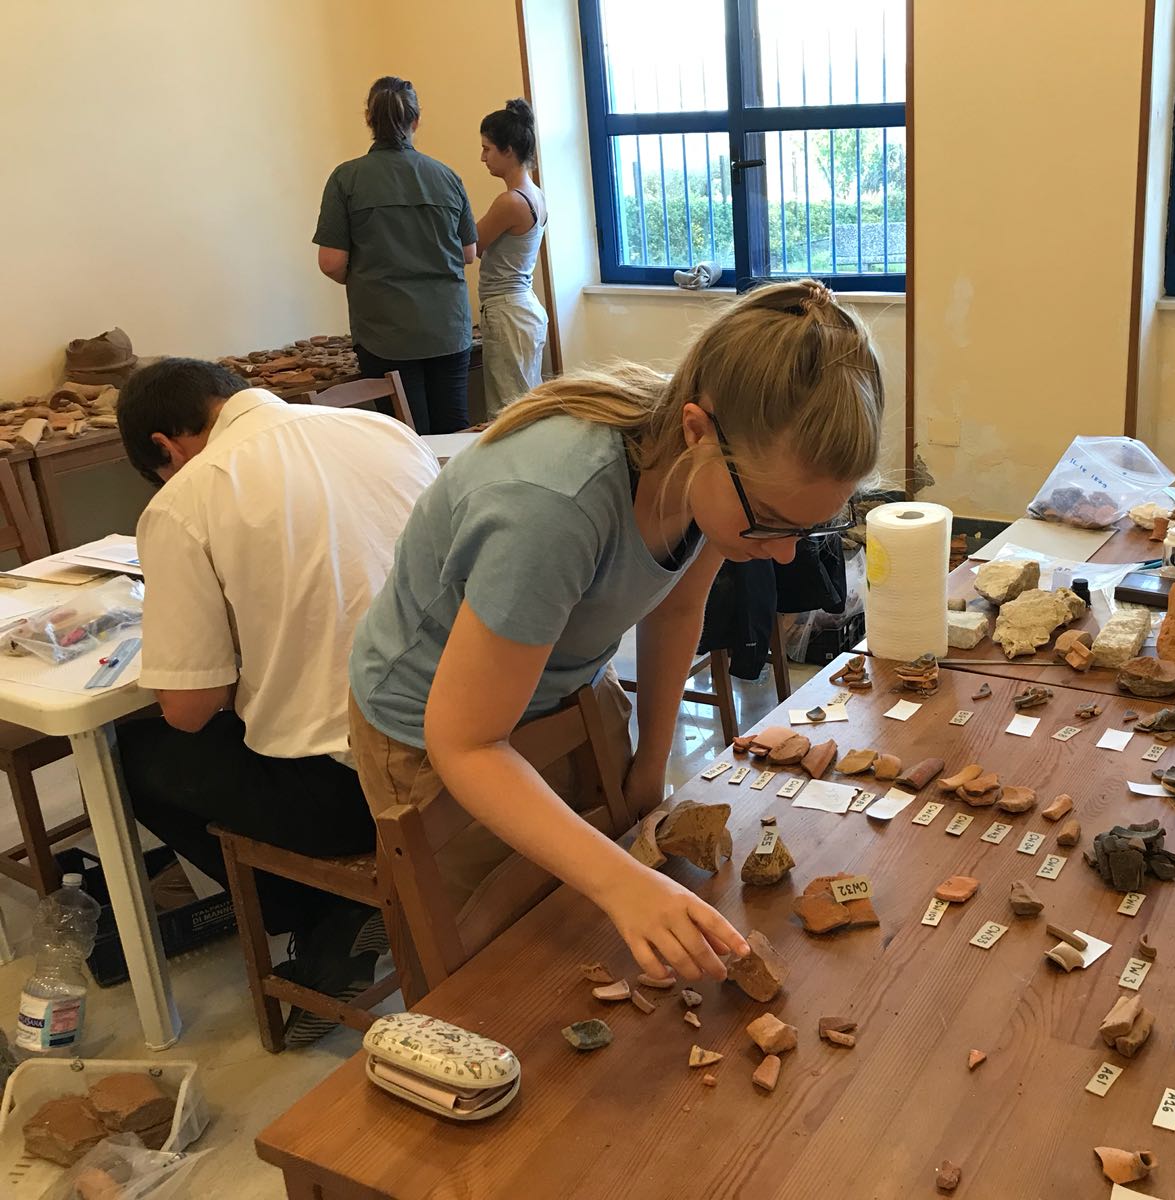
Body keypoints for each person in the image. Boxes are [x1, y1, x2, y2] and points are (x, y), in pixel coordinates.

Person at [348, 279, 884, 983]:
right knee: (494, 973)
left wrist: (650, 763)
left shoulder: (712, 462)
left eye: (806, 527)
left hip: (562, 687)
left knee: (586, 922)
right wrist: (621, 885)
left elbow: (674, 607)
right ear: (698, 431)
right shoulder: (551, 505)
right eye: (772, 523)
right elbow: (467, 742)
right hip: (430, 732)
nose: (784, 553)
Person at [116, 358, 438, 1046]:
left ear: (163, 449)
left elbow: (190, 708)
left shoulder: (185, 498)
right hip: (468, 741)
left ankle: (322, 914)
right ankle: (332, 917)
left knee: (142, 756)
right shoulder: (379, 431)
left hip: (359, 791)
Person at [314, 76, 478, 436]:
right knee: (454, 434)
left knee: (405, 439)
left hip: (384, 330)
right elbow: (469, 253)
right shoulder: (447, 177)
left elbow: (331, 261)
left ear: (368, 120)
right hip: (447, 326)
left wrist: (365, 276)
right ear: (416, 120)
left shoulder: (346, 179)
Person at [475, 98, 550, 416]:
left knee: (509, 414)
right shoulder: (536, 195)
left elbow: (472, 245)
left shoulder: (511, 201)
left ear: (508, 150)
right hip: (521, 309)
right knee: (523, 405)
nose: (482, 158)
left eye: (487, 148)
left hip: (507, 311)